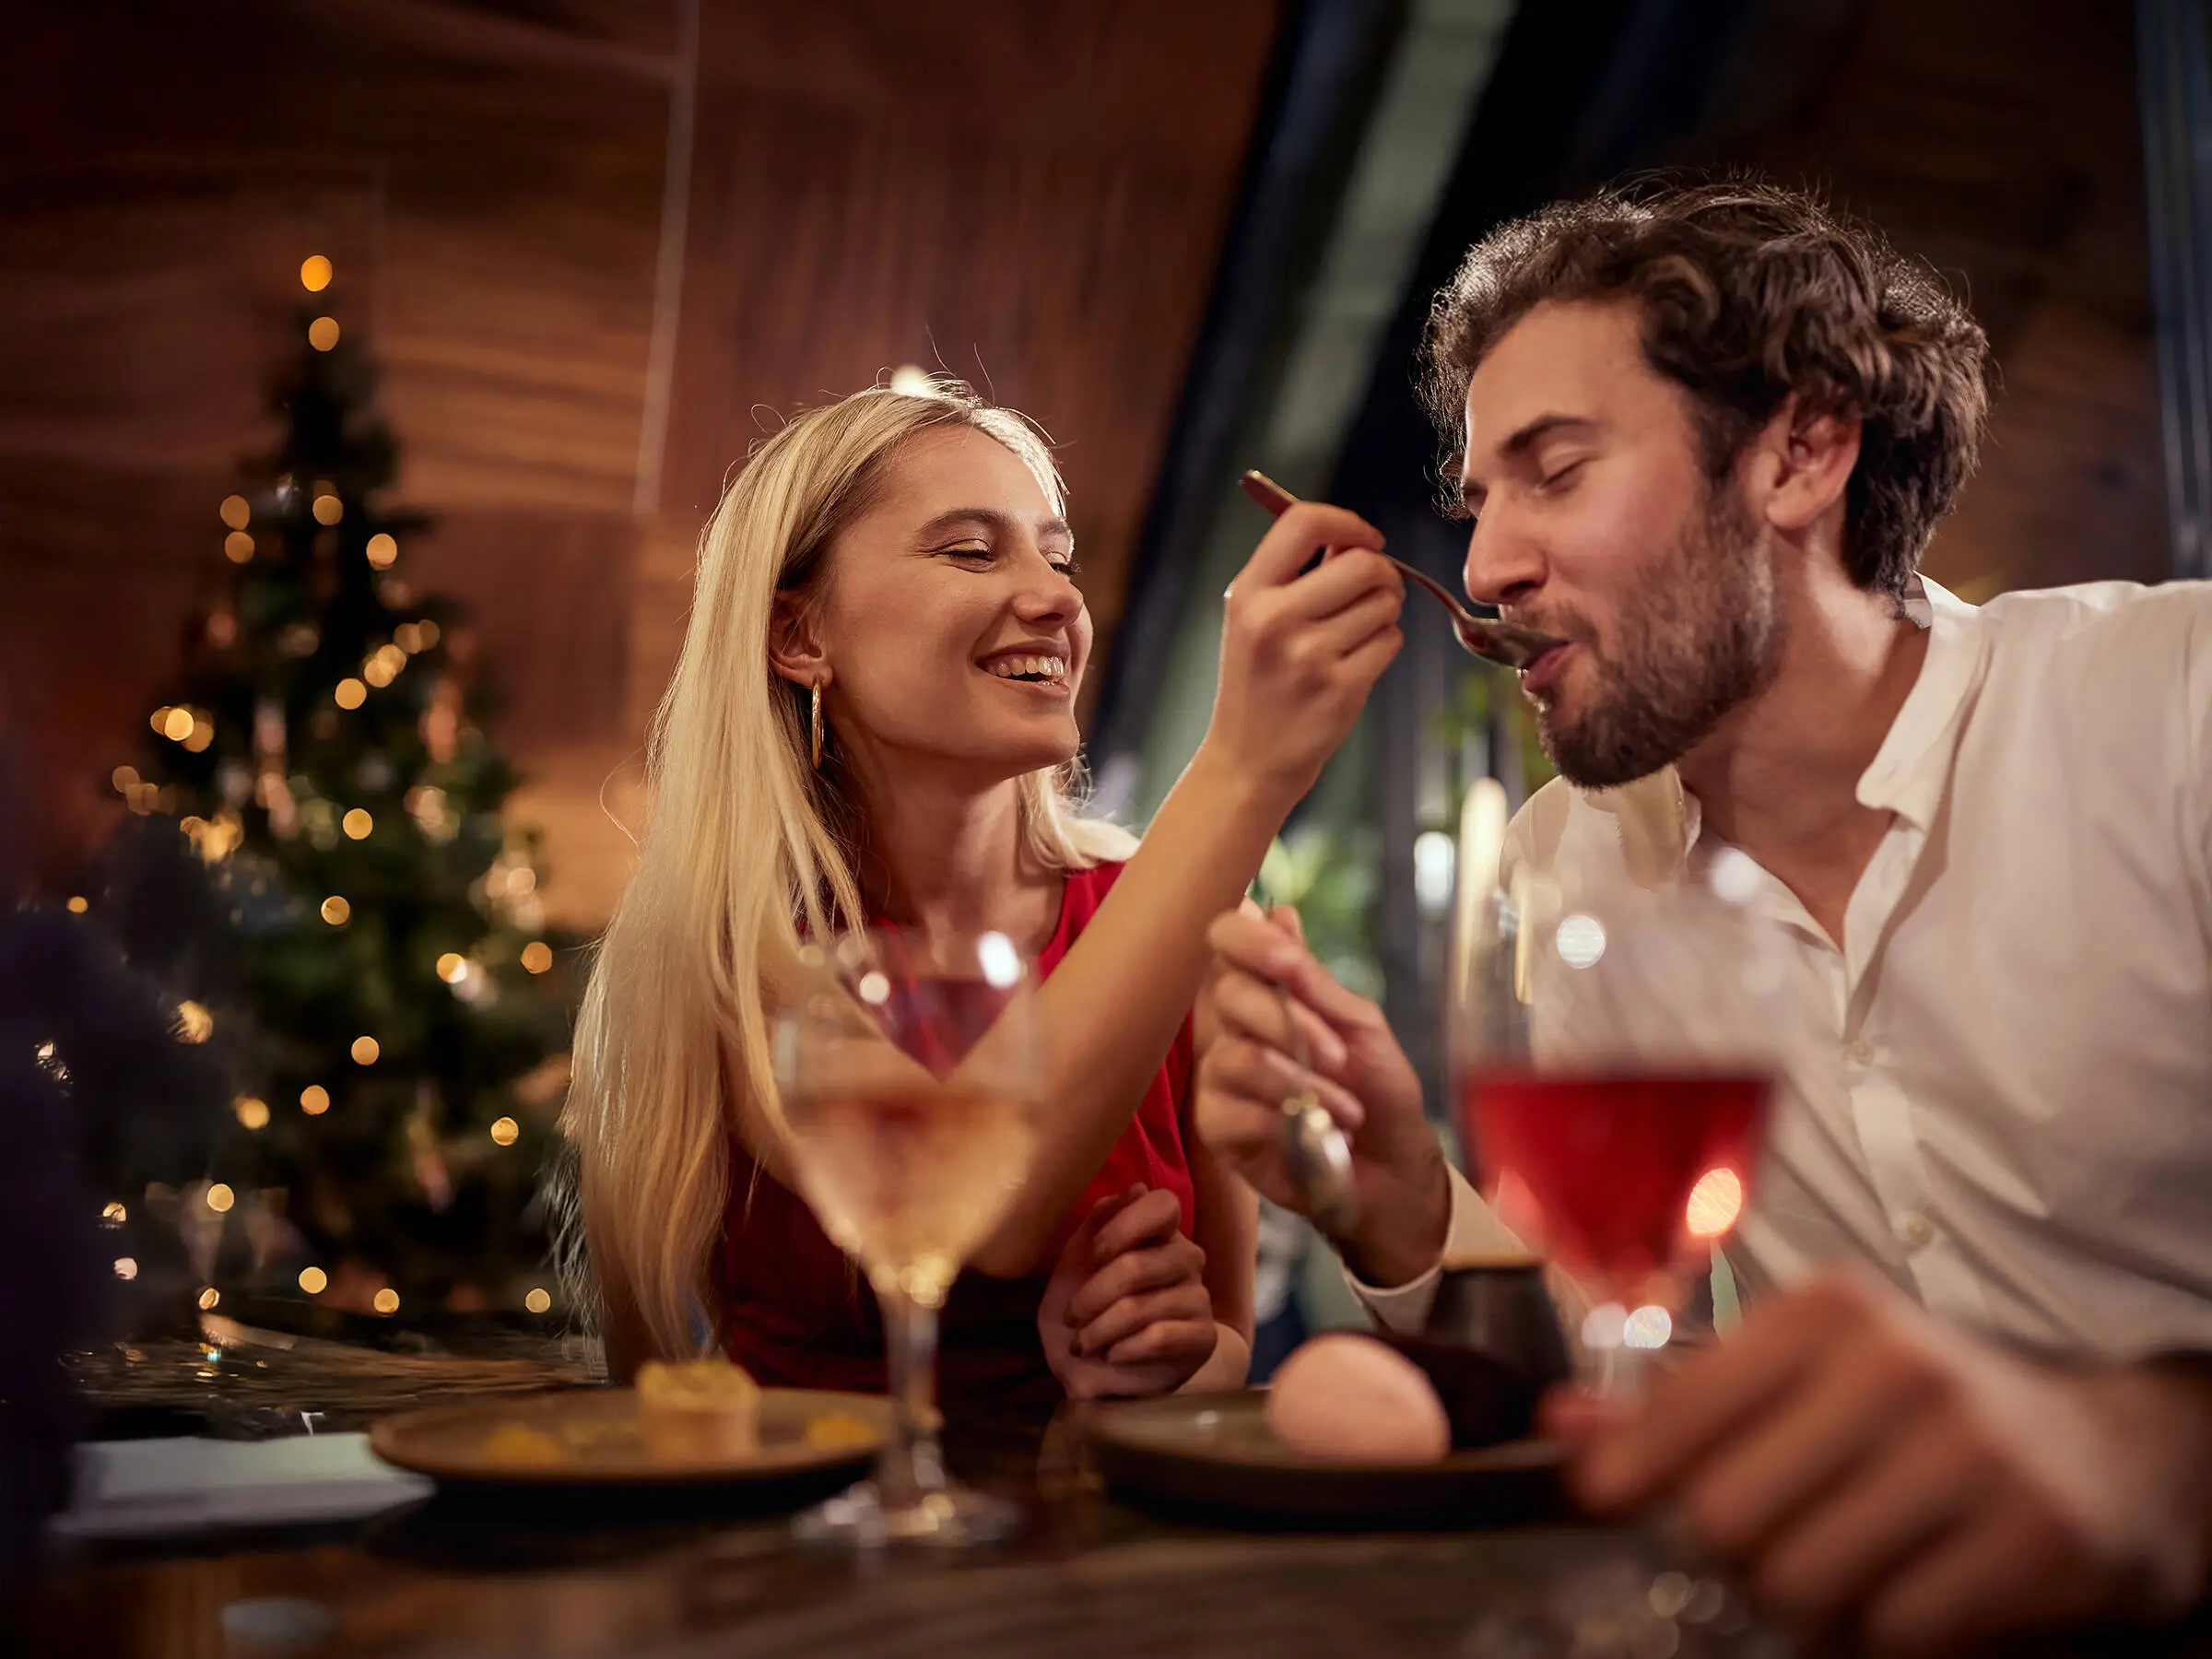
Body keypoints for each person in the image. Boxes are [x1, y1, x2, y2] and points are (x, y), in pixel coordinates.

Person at [1195, 179, 2212, 1648]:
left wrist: (2154, 1456)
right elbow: (1645, 1381)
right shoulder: (1578, 866)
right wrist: (1404, 1200)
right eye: (1482, 504)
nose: (1482, 568)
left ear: (1802, 451)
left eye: (1556, 471)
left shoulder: (2172, 708)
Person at [559, 378, 1405, 1410]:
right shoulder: (750, 949)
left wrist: (1167, 1351)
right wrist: (1241, 766)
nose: (1057, 599)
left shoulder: (1170, 916)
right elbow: (974, 1202)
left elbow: (1227, 1342)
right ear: (799, 636)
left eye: (1058, 556)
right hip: (809, 1546)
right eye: (971, 550)